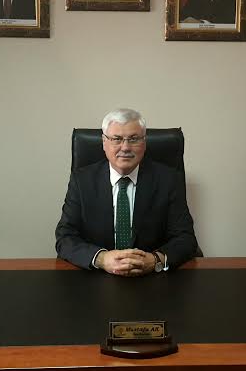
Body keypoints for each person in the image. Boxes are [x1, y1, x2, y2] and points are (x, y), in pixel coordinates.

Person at [55, 108, 198, 276]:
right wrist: (102, 259)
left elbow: (185, 238)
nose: (125, 147)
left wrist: (155, 260)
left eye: (134, 139)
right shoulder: (82, 180)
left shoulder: (168, 180)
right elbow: (65, 237)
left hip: (152, 277)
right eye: (117, 139)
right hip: (96, 275)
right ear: (104, 142)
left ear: (144, 142)